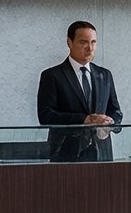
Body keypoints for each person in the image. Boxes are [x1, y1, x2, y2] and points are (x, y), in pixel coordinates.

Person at [36, 20, 122, 161]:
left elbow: (116, 110)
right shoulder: (52, 75)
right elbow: (46, 116)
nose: (90, 48)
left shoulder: (105, 75)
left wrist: (110, 123)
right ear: (69, 43)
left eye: (93, 42)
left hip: (102, 154)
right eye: (83, 42)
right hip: (65, 155)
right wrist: (84, 120)